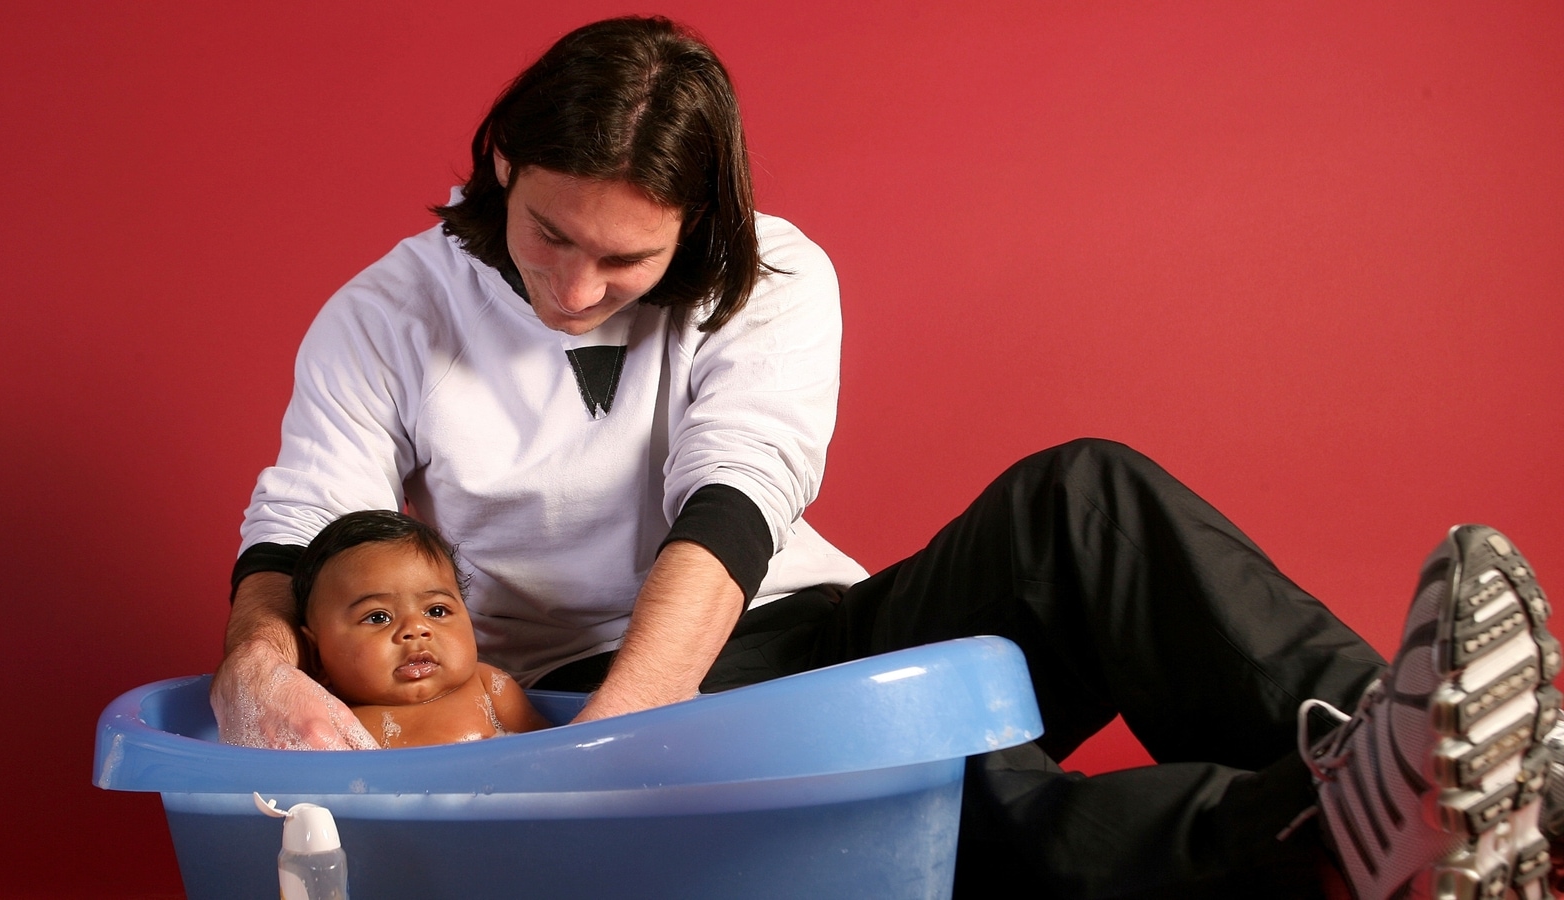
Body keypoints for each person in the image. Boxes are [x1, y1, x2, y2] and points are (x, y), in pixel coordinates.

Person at [209, 15, 1563, 899]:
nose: (573, 288)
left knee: (1082, 496)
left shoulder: (778, 270)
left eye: (624, 259)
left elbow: (733, 499)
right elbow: (300, 526)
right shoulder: (385, 313)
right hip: (571, 696)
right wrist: (263, 671)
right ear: (503, 163)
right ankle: (1332, 837)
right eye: (550, 235)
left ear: (702, 220)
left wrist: (634, 731)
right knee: (942, 795)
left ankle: (1445, 757)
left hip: (771, 625)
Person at [291, 510, 551, 748]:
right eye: (379, 617)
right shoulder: (323, 719)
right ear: (315, 654)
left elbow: (548, 754)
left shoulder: (490, 688)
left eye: (436, 611)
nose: (416, 628)